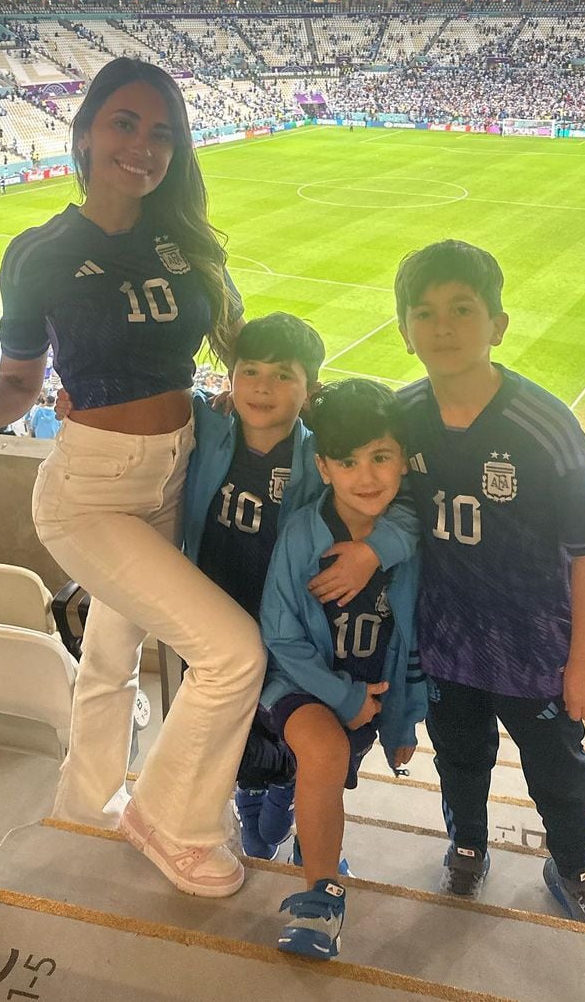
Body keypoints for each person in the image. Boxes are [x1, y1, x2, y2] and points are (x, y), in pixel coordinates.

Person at [0, 58, 266, 899]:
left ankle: (79, 810)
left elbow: (240, 346)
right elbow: (20, 382)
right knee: (230, 653)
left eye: (161, 133)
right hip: (91, 489)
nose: (142, 147)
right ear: (85, 134)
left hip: (177, 472)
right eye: (125, 125)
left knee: (113, 658)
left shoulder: (190, 245)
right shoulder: (39, 253)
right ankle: (171, 818)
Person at [393, 242, 585, 926]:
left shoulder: (545, 426)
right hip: (446, 644)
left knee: (558, 772)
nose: (444, 327)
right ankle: (467, 844)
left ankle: (574, 860)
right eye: (425, 313)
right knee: (459, 757)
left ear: (498, 324)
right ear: (404, 330)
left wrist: (584, 659)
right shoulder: (398, 418)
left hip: (535, 650)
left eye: (463, 309)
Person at [183, 313, 417, 861]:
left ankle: (295, 802)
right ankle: (252, 795)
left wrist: (374, 551)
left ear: (308, 389)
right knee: (238, 730)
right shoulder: (210, 426)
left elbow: (403, 510)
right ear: (231, 378)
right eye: (251, 372)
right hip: (220, 615)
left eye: (282, 375)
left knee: (303, 736)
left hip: (291, 624)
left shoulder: (320, 456)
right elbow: (156, 400)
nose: (262, 387)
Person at [260, 379, 424, 958]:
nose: (368, 476)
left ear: (404, 459)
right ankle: (321, 901)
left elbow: (410, 644)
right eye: (349, 461)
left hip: (369, 699)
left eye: (381, 457)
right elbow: (279, 633)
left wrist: (400, 725)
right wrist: (340, 693)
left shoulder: (405, 539)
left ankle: (302, 838)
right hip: (300, 685)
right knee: (323, 755)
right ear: (324, 468)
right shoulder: (303, 533)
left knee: (325, 777)